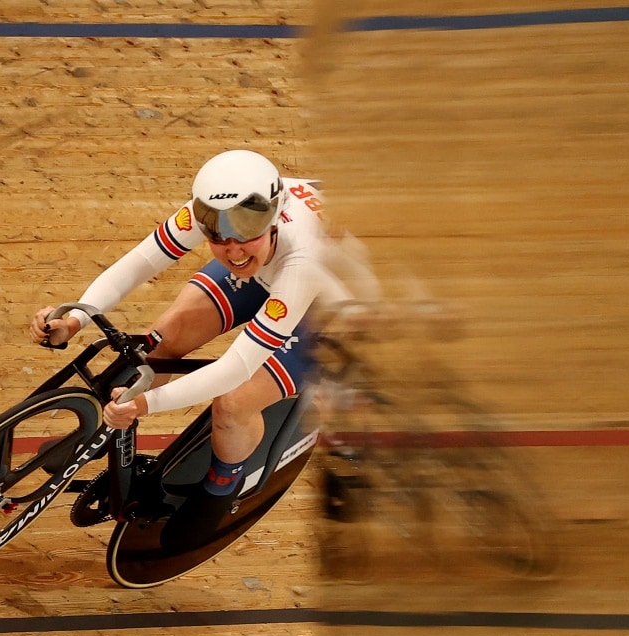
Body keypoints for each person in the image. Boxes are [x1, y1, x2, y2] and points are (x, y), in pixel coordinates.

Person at [30, 149, 373, 551]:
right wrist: (76, 318)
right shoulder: (220, 211)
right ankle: (104, 434)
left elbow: (236, 366)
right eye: (219, 239)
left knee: (232, 405)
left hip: (330, 307)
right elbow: (141, 261)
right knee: (163, 336)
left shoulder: (303, 254)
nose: (233, 251)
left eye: (247, 235)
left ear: (276, 215)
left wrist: (145, 405)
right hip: (271, 271)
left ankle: (221, 488)